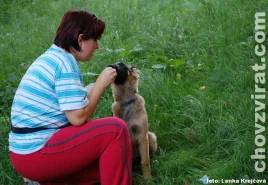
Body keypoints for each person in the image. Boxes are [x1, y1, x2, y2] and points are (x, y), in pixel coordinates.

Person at [9, 10, 132, 185]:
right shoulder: (64, 63)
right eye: (95, 39)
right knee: (115, 129)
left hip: (24, 153)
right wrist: (101, 84)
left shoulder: (52, 57)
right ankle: (40, 176)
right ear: (80, 39)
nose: (97, 46)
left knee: (109, 164)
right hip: (36, 153)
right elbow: (78, 118)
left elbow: (72, 110)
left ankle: (44, 180)